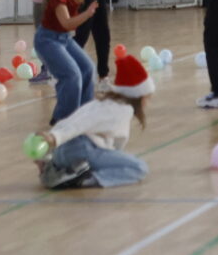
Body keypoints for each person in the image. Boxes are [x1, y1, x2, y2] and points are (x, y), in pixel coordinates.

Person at [36, 54, 153, 189]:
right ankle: (82, 178)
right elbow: (82, 123)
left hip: (64, 151)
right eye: (147, 98)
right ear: (139, 96)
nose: (147, 103)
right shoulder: (122, 109)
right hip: (81, 151)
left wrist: (52, 143)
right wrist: (55, 137)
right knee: (139, 167)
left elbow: (73, 120)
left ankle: (56, 166)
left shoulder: (102, 103)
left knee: (118, 158)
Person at [35, 0, 99, 124]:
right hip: (48, 41)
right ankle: (63, 119)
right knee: (72, 76)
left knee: (88, 69)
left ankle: (84, 113)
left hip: (62, 39)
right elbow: (67, 24)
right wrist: (88, 14)